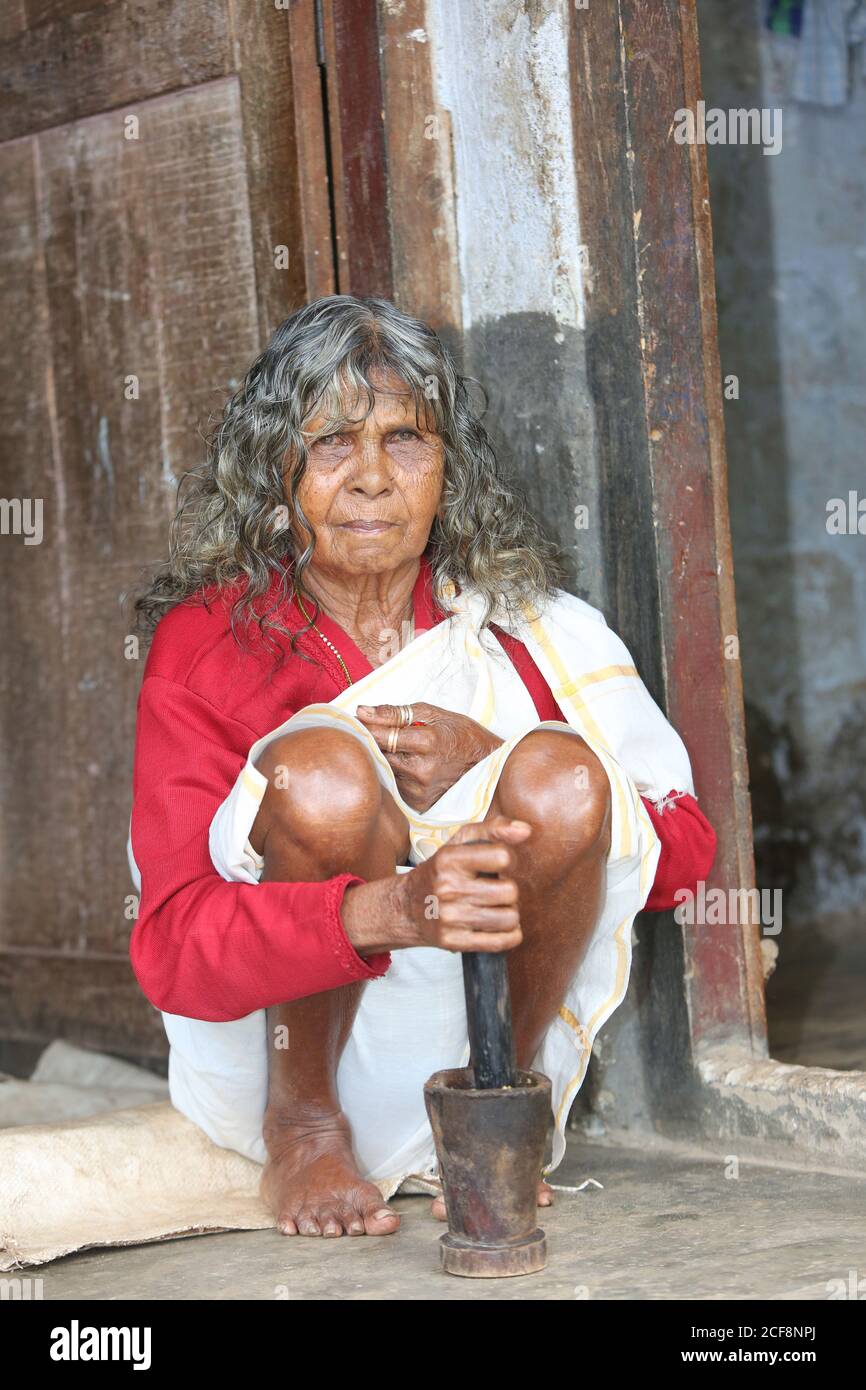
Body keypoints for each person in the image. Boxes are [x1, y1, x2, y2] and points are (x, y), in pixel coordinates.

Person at [128, 295, 716, 1239]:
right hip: (275, 1053)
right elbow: (172, 948)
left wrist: (495, 767)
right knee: (322, 774)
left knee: (562, 770)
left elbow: (682, 853)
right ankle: (307, 1127)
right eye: (327, 444)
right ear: (274, 471)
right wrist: (395, 909)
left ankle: (497, 1117)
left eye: (405, 439)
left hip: (478, 1036)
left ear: (450, 469)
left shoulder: (526, 627)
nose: (370, 479)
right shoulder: (210, 645)